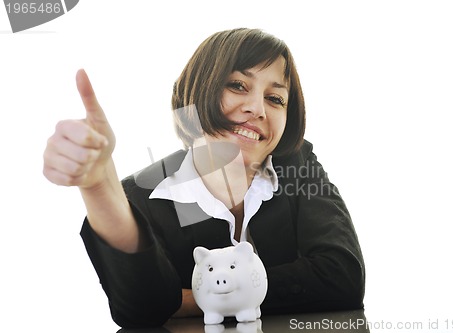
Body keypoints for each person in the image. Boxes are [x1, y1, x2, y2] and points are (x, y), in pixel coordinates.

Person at [43, 28, 365, 328]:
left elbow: (343, 276)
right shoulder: (142, 197)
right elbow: (143, 308)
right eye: (238, 85)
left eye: (275, 98)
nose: (257, 109)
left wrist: (199, 297)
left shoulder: (297, 166)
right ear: (197, 91)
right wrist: (99, 184)